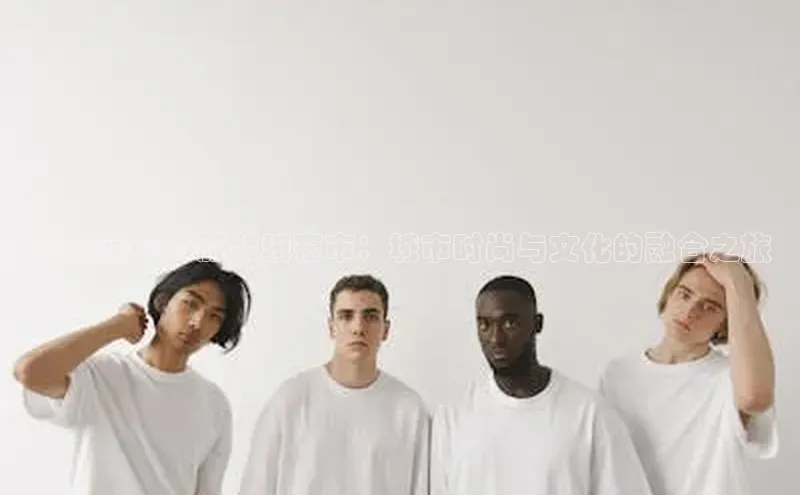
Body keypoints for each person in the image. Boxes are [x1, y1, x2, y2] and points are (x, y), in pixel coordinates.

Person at [13, 258, 252, 495]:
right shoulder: (101, 375)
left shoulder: (213, 403)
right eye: (191, 304)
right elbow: (30, 371)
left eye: (214, 316)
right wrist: (118, 325)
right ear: (163, 302)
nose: (197, 322)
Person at [430, 275, 654, 495]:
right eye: (484, 325)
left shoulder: (589, 414)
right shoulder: (452, 417)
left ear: (537, 324)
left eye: (509, 323)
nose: (496, 339)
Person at [598, 252, 777, 495]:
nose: (691, 310)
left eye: (710, 307)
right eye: (685, 294)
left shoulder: (730, 378)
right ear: (669, 296)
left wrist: (739, 282)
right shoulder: (618, 374)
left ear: (725, 324)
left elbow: (755, 399)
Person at [238, 274, 429, 495]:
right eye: (346, 316)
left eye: (370, 316)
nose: (358, 327)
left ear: (385, 329)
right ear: (331, 327)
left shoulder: (409, 409)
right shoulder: (290, 399)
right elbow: (256, 486)